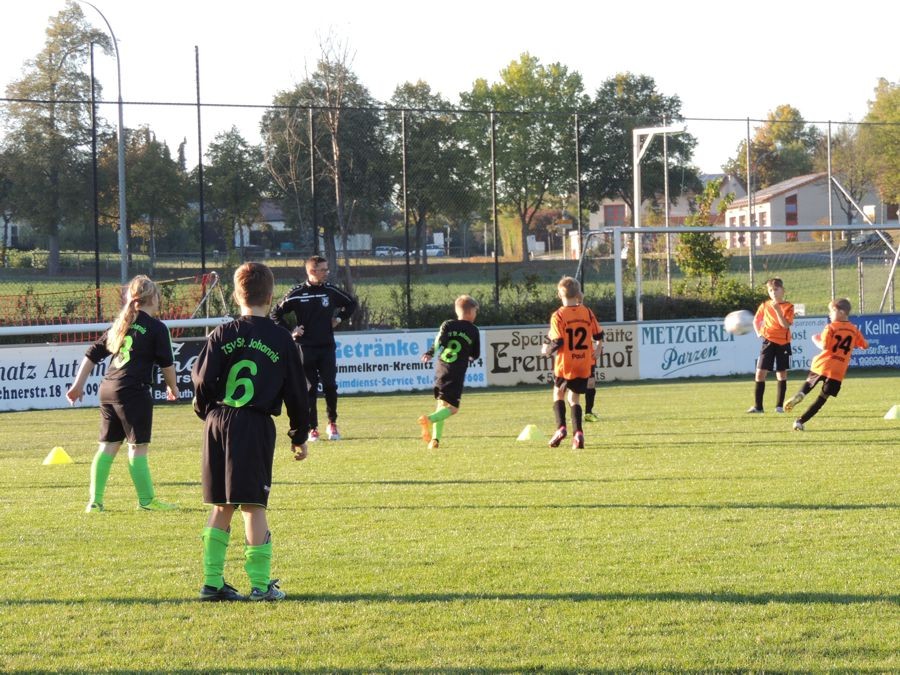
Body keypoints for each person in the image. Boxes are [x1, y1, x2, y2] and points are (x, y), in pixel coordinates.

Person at [192, 262, 309, 602]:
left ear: (236, 294)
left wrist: (206, 412)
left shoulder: (222, 333)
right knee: (253, 505)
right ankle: (260, 585)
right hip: (253, 423)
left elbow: (200, 379)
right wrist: (299, 435)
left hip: (218, 420)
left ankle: (212, 583)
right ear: (271, 297)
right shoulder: (282, 339)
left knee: (220, 504)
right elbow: (297, 393)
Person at [66, 275, 179, 513]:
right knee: (137, 447)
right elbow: (167, 364)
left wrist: (78, 386)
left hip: (108, 390)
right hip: (133, 392)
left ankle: (95, 502)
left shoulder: (122, 323)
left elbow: (92, 354)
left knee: (107, 447)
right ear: (154, 298)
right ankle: (147, 501)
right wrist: (173, 386)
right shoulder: (157, 328)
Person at [271, 255, 358, 442]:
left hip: (326, 347)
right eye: (323, 269)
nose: (327, 272)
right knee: (309, 389)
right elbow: (275, 313)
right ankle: (313, 428)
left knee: (330, 386)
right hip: (305, 348)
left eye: (327, 269)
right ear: (312, 271)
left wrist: (339, 319)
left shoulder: (330, 291)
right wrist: (291, 330)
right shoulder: (297, 293)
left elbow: (351, 304)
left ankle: (332, 423)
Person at [784, 298, 869, 431]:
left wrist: (815, 339)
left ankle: (801, 394)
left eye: (832, 311)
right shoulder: (854, 330)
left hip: (822, 365)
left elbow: (824, 345)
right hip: (838, 371)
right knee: (822, 398)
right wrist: (858, 343)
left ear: (841, 312)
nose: (829, 314)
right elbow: (865, 345)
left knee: (809, 384)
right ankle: (800, 421)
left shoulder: (830, 327)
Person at [540, 276, 603, 449]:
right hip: (583, 362)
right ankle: (578, 434)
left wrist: (547, 350)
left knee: (558, 395)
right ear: (578, 294)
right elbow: (598, 335)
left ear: (560, 294)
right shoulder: (587, 312)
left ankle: (561, 428)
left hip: (565, 364)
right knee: (574, 398)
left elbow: (557, 340)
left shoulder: (558, 315)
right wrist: (599, 347)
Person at [416, 295, 480, 450]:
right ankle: (429, 419)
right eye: (476, 312)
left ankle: (435, 440)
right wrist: (469, 356)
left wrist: (430, 353)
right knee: (453, 408)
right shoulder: (473, 330)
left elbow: (439, 341)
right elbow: (475, 354)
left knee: (442, 404)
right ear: (471, 312)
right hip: (456, 371)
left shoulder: (448, 324)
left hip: (441, 368)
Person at [747, 277, 795, 413]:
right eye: (770, 290)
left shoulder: (788, 307)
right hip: (768, 342)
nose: (773, 292)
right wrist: (758, 332)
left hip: (783, 343)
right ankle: (758, 407)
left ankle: (779, 406)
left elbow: (785, 325)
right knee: (760, 373)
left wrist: (778, 310)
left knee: (781, 374)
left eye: (776, 289)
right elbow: (756, 320)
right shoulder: (765, 305)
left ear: (782, 291)